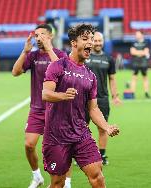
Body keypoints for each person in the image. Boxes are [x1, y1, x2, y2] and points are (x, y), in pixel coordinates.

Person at [42, 24, 120, 188]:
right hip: (56, 136)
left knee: (97, 176)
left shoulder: (90, 76)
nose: (90, 43)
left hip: (81, 133)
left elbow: (93, 108)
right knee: (58, 183)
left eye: (91, 39)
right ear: (74, 43)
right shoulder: (57, 66)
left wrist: (106, 127)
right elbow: (46, 94)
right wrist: (63, 95)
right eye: (85, 39)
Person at [12, 24, 68, 188]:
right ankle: (37, 176)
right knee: (29, 145)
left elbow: (62, 72)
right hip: (37, 109)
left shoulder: (60, 54)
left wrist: (49, 49)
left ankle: (67, 183)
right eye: (36, 35)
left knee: (62, 148)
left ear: (50, 36)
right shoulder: (33, 55)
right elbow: (15, 72)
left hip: (57, 110)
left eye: (41, 35)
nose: (38, 38)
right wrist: (25, 52)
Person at [85, 31, 122, 165]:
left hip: (102, 98)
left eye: (100, 41)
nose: (98, 43)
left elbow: (112, 79)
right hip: (84, 99)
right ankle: (84, 154)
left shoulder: (109, 59)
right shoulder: (85, 56)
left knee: (103, 127)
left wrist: (115, 96)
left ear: (103, 42)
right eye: (95, 40)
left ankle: (102, 154)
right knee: (83, 127)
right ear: (91, 41)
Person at [130, 30, 150, 98]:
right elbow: (132, 52)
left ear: (142, 35)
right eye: (136, 34)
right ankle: (132, 93)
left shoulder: (146, 43)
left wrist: (137, 52)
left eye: (138, 34)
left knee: (145, 78)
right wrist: (142, 52)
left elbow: (146, 52)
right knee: (134, 78)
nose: (137, 35)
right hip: (135, 63)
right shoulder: (133, 43)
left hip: (144, 63)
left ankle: (146, 92)